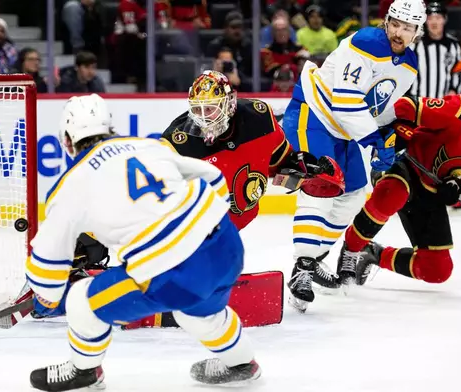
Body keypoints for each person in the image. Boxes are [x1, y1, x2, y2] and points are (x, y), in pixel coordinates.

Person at [26, 94, 261, 391]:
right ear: (109, 127)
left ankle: (84, 371)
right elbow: (212, 176)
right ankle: (241, 363)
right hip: (226, 246)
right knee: (198, 312)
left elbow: (47, 261)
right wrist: (201, 224)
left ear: (68, 141)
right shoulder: (149, 145)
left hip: (173, 273)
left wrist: (47, 295)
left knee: (81, 301)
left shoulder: (71, 184)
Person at [281, 0, 427, 313]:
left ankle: (314, 259)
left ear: (417, 31)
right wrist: (376, 140)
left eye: (408, 27)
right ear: (386, 21)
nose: (399, 32)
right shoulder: (366, 42)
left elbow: (380, 105)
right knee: (321, 183)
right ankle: (302, 270)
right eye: (396, 23)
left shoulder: (409, 65)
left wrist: (388, 133)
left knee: (352, 195)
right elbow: (346, 102)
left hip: (344, 130)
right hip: (314, 113)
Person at [337, 85, 461, 287]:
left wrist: (456, 190)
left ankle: (373, 254)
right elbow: (412, 106)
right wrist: (388, 127)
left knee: (437, 270)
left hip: (430, 193)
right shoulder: (460, 109)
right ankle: (351, 249)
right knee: (393, 194)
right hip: (405, 164)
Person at [163, 70, 346, 231]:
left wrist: (306, 170)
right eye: (198, 109)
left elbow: (279, 164)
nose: (203, 117)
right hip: (194, 230)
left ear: (228, 103)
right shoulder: (177, 142)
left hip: (235, 223)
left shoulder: (258, 118)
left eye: (210, 108)